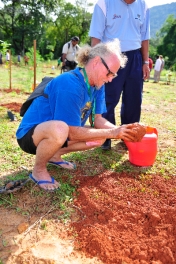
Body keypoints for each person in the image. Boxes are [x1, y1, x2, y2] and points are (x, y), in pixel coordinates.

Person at [16, 39, 144, 191]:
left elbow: (98, 120)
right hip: (31, 136)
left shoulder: (97, 85)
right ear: (96, 62)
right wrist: (114, 133)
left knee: (100, 137)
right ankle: (38, 170)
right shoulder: (69, 83)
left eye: (113, 75)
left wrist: (121, 130)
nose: (110, 79)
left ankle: (54, 155)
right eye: (109, 73)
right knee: (60, 129)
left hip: (59, 133)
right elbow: (70, 131)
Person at [89, 0, 150, 150]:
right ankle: (106, 136)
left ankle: (128, 137)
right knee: (108, 98)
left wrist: (145, 62)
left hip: (135, 57)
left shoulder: (143, 6)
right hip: (110, 57)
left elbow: (144, 38)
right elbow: (96, 38)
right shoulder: (104, 4)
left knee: (133, 99)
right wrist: (97, 63)